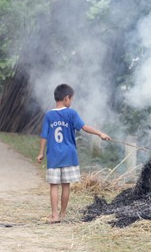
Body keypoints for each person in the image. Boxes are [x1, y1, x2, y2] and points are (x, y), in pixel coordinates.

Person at [37, 84, 111, 223]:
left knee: (54, 186)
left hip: (53, 156)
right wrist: (100, 133)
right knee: (66, 185)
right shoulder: (71, 113)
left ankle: (54, 216)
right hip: (69, 156)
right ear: (66, 98)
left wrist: (41, 153)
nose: (71, 102)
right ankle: (63, 214)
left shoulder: (49, 115)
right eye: (71, 99)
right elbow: (84, 127)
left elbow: (44, 135)